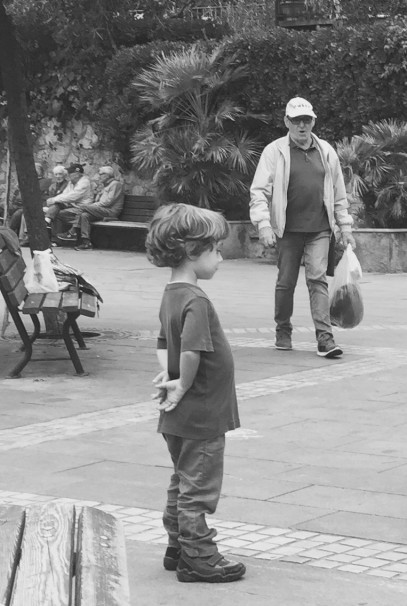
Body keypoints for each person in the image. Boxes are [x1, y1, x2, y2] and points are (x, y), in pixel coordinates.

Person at [146, 203, 245, 584]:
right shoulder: (197, 300)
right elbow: (190, 350)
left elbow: (163, 342)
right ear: (192, 251)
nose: (220, 257)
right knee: (198, 488)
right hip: (202, 413)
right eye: (216, 250)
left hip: (179, 415)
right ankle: (199, 557)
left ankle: (178, 546)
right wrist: (183, 381)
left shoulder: (172, 293)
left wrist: (169, 374)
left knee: (182, 480)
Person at [250, 97, 356, 358]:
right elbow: (259, 191)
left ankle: (325, 338)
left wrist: (345, 226)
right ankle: (283, 329)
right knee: (285, 283)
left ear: (313, 122)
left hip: (319, 228)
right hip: (287, 230)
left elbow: (339, 194)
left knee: (317, 278)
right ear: (287, 122)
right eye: (296, 120)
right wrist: (263, 224)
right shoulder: (274, 151)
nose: (301, 126)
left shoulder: (326, 151)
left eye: (306, 120)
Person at [58, 166, 124, 251]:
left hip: (111, 211)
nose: (99, 176)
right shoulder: (105, 185)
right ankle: (86, 242)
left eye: (101, 174)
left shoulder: (115, 184)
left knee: (83, 207)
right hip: (102, 210)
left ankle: (73, 231)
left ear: (107, 175)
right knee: (84, 215)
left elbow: (107, 202)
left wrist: (92, 206)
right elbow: (100, 201)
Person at [46, 163, 93, 238]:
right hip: (72, 207)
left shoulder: (84, 182)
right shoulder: (72, 182)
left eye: (71, 172)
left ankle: (58, 238)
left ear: (77, 173)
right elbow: (65, 194)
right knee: (57, 208)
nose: (68, 174)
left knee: (58, 214)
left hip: (82, 208)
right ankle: (54, 234)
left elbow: (73, 196)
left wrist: (54, 199)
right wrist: (55, 200)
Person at [9, 163, 52, 244]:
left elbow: (34, 194)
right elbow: (16, 196)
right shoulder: (27, 181)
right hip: (20, 204)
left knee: (18, 214)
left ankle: (8, 235)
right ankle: (7, 234)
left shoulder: (44, 182)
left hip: (35, 205)